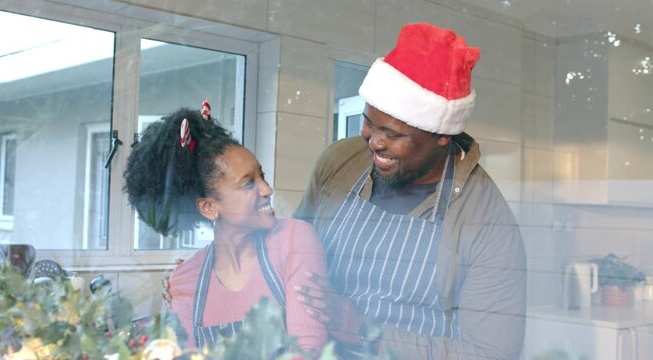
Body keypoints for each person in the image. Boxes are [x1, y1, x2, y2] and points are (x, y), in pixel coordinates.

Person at [293, 22, 527, 359]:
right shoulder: (340, 163)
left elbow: (492, 354)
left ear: (442, 134)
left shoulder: (487, 224)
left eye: (392, 133)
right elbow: (291, 253)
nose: (373, 141)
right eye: (369, 122)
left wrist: (362, 331)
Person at [124, 103, 328, 356]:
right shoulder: (183, 280)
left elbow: (308, 352)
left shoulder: (295, 241)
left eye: (261, 175)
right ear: (209, 207)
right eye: (248, 184)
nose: (267, 189)